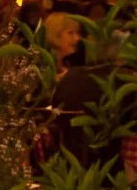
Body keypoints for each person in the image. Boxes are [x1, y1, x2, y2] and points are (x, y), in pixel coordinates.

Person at [42, 11, 107, 163]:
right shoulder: (44, 66)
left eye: (77, 33)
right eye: (70, 33)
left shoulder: (66, 65)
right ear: (54, 34)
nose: (77, 38)